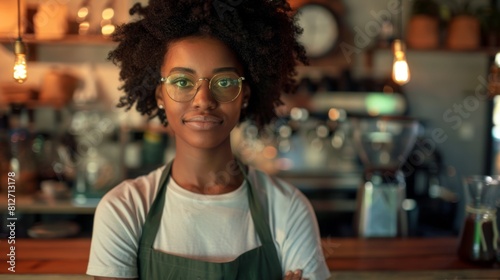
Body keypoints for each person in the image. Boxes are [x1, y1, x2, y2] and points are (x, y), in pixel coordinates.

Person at [86, 0, 330, 279]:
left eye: (225, 82)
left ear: (245, 96)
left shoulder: (288, 208)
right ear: (160, 97)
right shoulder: (124, 209)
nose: (203, 100)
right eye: (182, 82)